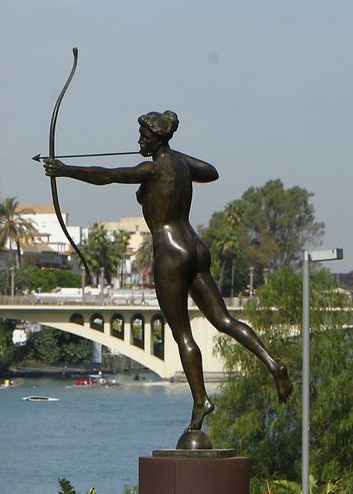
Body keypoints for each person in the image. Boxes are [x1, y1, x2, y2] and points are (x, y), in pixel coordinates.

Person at [41, 109, 293, 441]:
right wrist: (173, 150)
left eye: (144, 136)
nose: (139, 141)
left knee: (183, 336)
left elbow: (108, 175)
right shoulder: (180, 165)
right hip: (196, 247)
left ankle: (201, 400)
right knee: (224, 320)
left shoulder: (152, 170)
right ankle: (274, 364)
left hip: (171, 252)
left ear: (157, 137)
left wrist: (65, 170)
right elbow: (211, 171)